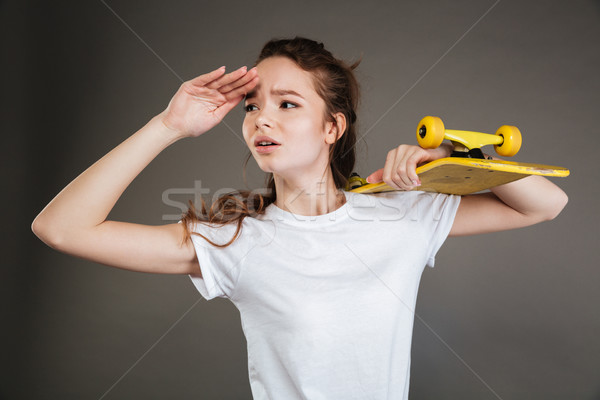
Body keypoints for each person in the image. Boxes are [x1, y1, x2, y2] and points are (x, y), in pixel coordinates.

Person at [32, 37, 568, 399]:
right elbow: (60, 228)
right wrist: (168, 125)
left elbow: (546, 204)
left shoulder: (400, 214)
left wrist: (462, 160)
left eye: (287, 104)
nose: (262, 117)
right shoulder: (233, 241)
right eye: (252, 106)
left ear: (332, 128)